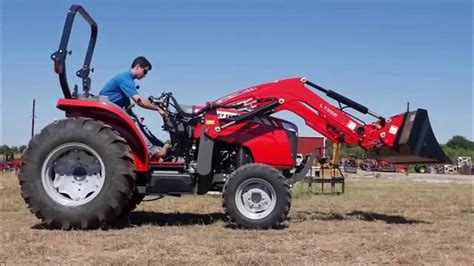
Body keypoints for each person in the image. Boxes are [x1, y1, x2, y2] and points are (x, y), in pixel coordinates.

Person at [99, 56, 171, 159]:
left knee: (138, 121)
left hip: (114, 109)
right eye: (145, 72)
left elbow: (128, 105)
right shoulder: (125, 79)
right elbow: (139, 102)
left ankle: (159, 146)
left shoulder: (127, 79)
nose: (145, 75)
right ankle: (152, 152)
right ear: (138, 67)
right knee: (134, 122)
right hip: (108, 112)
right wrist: (158, 109)